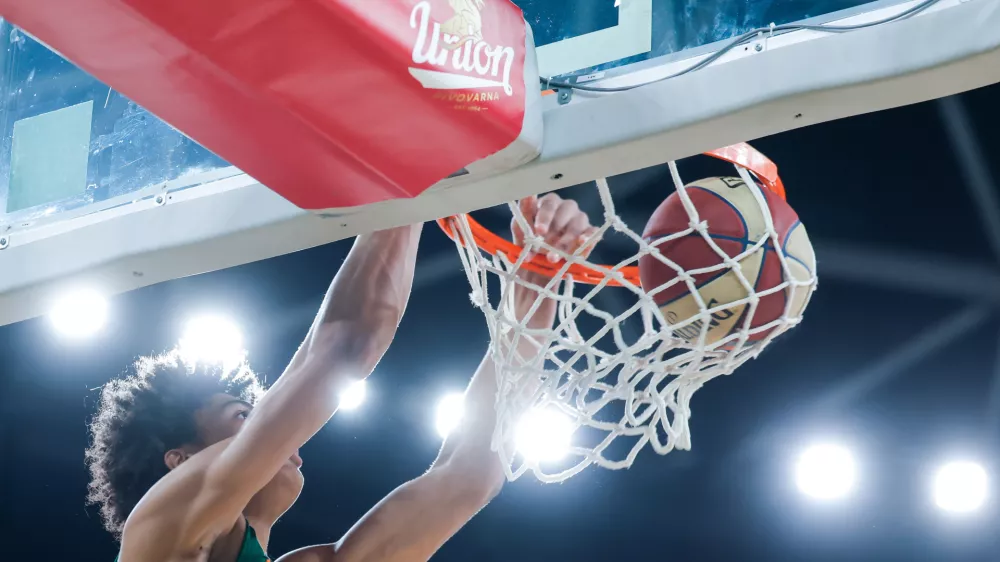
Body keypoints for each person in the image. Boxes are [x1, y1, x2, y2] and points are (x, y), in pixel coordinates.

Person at [86, 193, 597, 562]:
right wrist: (414, 178)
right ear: (182, 461)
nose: (277, 427)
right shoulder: (158, 536)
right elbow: (343, 348)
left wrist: (537, 287)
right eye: (244, 414)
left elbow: (467, 477)